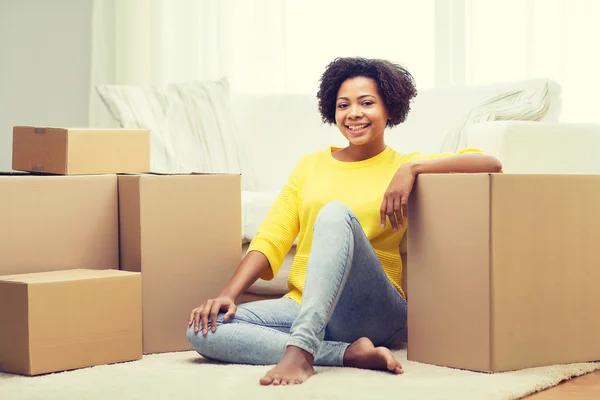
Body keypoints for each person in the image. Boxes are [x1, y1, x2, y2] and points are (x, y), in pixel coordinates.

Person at [187, 57, 502, 386]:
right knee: (204, 330)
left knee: (335, 213)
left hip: (374, 310)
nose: (354, 113)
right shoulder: (310, 165)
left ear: (389, 109)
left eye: (367, 103)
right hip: (306, 305)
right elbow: (271, 237)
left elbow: (490, 163)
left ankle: (301, 354)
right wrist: (228, 295)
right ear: (332, 111)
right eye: (343, 105)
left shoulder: (404, 164)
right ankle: (346, 354)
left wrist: (412, 170)